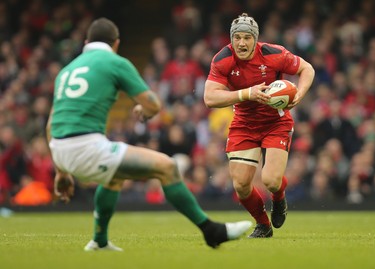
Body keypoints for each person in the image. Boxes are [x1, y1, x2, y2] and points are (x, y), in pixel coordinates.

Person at [46, 17, 251, 251]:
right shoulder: (114, 62)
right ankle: (211, 231)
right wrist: (143, 110)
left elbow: (51, 123)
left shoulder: (66, 71)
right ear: (116, 44)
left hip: (59, 148)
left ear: (86, 42)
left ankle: (99, 241)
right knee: (167, 167)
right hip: (85, 146)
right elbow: (153, 105)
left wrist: (61, 171)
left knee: (114, 177)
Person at [204, 13, 315, 238]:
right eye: (237, 38)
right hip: (244, 123)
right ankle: (263, 225)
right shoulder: (222, 59)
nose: (242, 43)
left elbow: (307, 69)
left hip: (276, 121)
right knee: (241, 185)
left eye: (247, 38)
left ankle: (279, 198)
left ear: (256, 39)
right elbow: (210, 98)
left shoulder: (274, 54)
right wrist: (248, 94)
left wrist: (299, 95)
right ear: (231, 39)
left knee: (271, 181)